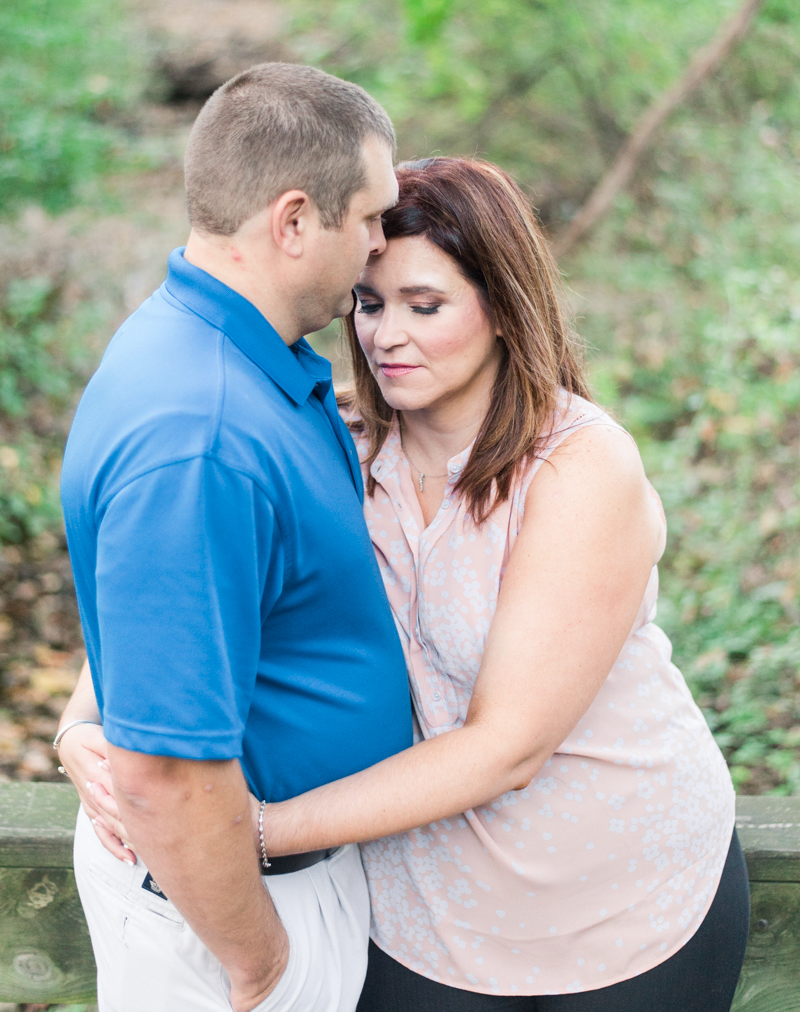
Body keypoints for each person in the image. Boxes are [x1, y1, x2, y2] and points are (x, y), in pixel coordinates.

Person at [62, 156, 750, 1011]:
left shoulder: (578, 466)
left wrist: (251, 832)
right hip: (415, 908)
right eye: (370, 302)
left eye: (426, 307)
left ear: (503, 305)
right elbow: (176, 588)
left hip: (621, 896)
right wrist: (85, 725)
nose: (387, 336)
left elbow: (510, 747)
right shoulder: (333, 436)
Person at [56, 62, 413, 1012]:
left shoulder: (243, 365)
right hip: (226, 924)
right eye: (372, 218)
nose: (381, 247)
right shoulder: (201, 435)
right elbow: (166, 771)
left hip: (275, 884)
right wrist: (260, 961)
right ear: (294, 221)